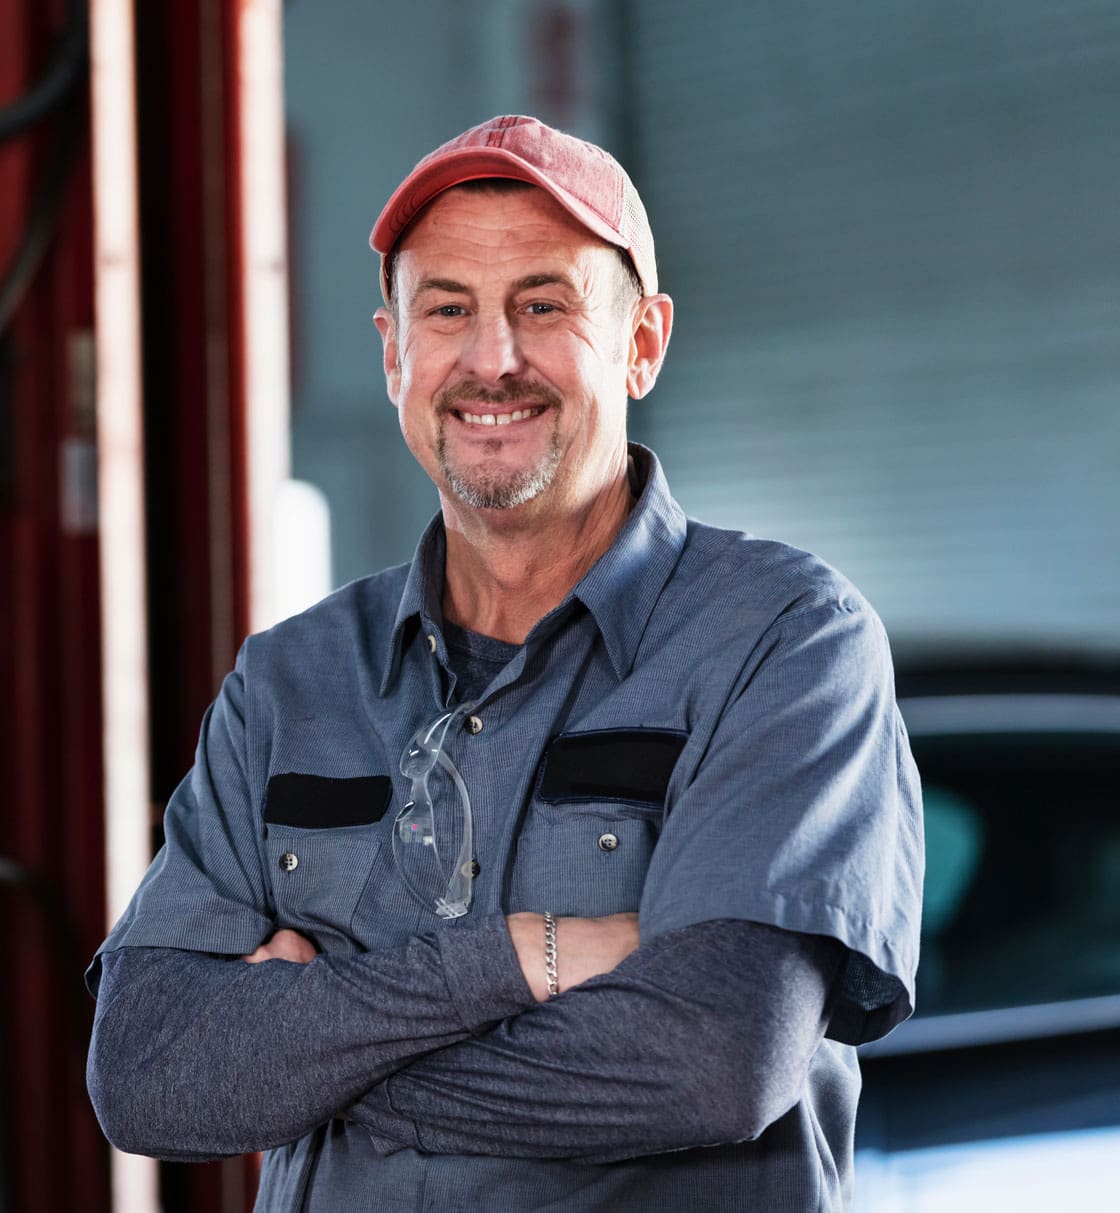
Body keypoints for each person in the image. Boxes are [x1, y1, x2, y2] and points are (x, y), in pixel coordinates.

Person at [84, 115, 924, 1210]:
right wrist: (517, 958)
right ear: (393, 350)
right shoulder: (291, 683)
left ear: (643, 342)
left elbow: (713, 1059)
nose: (493, 360)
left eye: (544, 304)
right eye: (447, 310)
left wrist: (315, 1057)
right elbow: (148, 1073)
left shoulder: (781, 642)